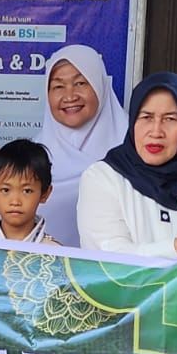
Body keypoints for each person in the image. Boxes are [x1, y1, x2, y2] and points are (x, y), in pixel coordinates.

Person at [77, 72, 177, 260]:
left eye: (170, 119)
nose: (156, 132)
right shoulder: (103, 177)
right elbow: (109, 258)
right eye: (146, 117)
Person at [33, 44, 129, 246]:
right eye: (58, 86)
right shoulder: (33, 155)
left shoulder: (135, 147)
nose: (70, 96)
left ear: (100, 86)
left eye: (80, 83)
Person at [0, 139, 57, 245]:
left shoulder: (56, 252)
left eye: (27, 191)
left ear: (45, 193)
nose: (15, 202)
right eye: (5, 190)